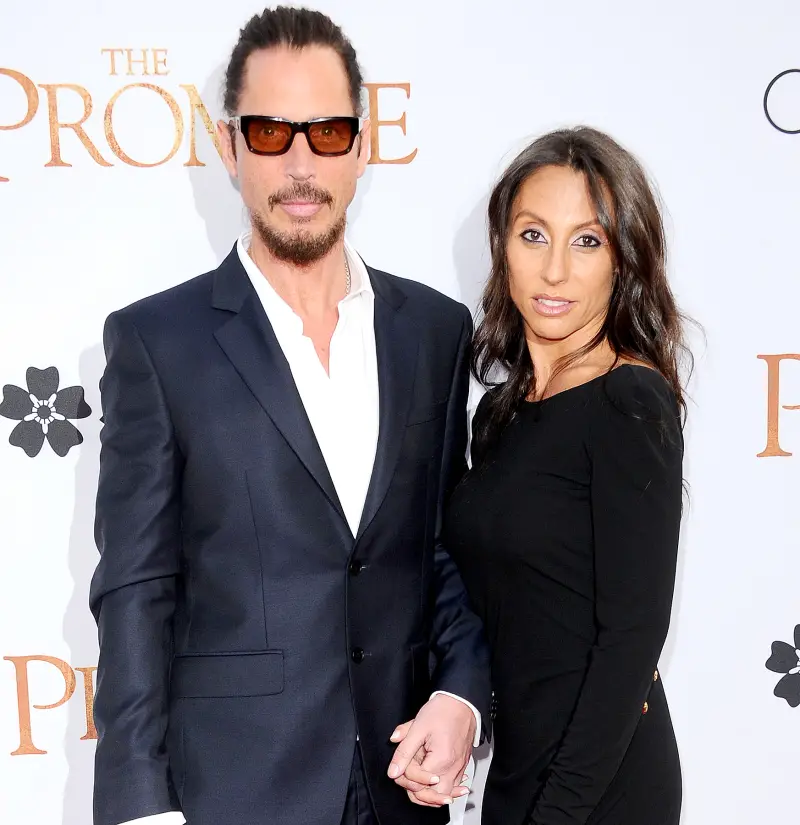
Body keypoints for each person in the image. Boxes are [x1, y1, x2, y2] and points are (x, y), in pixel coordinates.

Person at [89, 7, 490, 825]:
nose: (300, 164)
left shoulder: (435, 331)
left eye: (328, 132)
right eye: (270, 133)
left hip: (397, 788)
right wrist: (139, 805)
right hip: (232, 794)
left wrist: (461, 693)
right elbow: (137, 588)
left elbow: (447, 546)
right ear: (230, 147)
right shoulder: (157, 343)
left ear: (362, 146)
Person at [444, 126, 688, 825]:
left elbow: (632, 638)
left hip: (601, 782)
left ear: (623, 259)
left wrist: (558, 812)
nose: (554, 272)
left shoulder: (629, 401)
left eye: (587, 241)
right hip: (521, 765)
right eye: (532, 235)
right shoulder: (500, 411)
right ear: (502, 248)